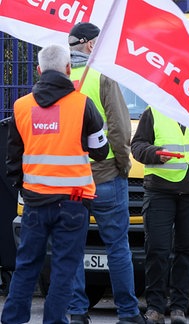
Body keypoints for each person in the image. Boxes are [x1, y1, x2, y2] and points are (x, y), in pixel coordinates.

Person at [1, 44, 109, 324]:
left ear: (38, 71)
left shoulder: (21, 107)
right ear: (68, 69)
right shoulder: (82, 104)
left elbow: (13, 159)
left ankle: (12, 319)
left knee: (26, 265)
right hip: (73, 203)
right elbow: (101, 151)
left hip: (35, 203)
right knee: (64, 269)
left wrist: (23, 188)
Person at [66, 22, 144, 324]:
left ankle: (76, 311)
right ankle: (127, 312)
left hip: (69, 179)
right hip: (106, 175)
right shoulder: (102, 76)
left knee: (72, 246)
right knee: (117, 246)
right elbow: (120, 128)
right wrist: (123, 165)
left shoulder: (57, 78)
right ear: (88, 46)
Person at [131, 106, 189, 324]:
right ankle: (155, 308)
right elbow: (137, 146)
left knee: (186, 250)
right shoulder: (154, 110)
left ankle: (179, 309)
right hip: (160, 192)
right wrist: (154, 153)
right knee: (157, 249)